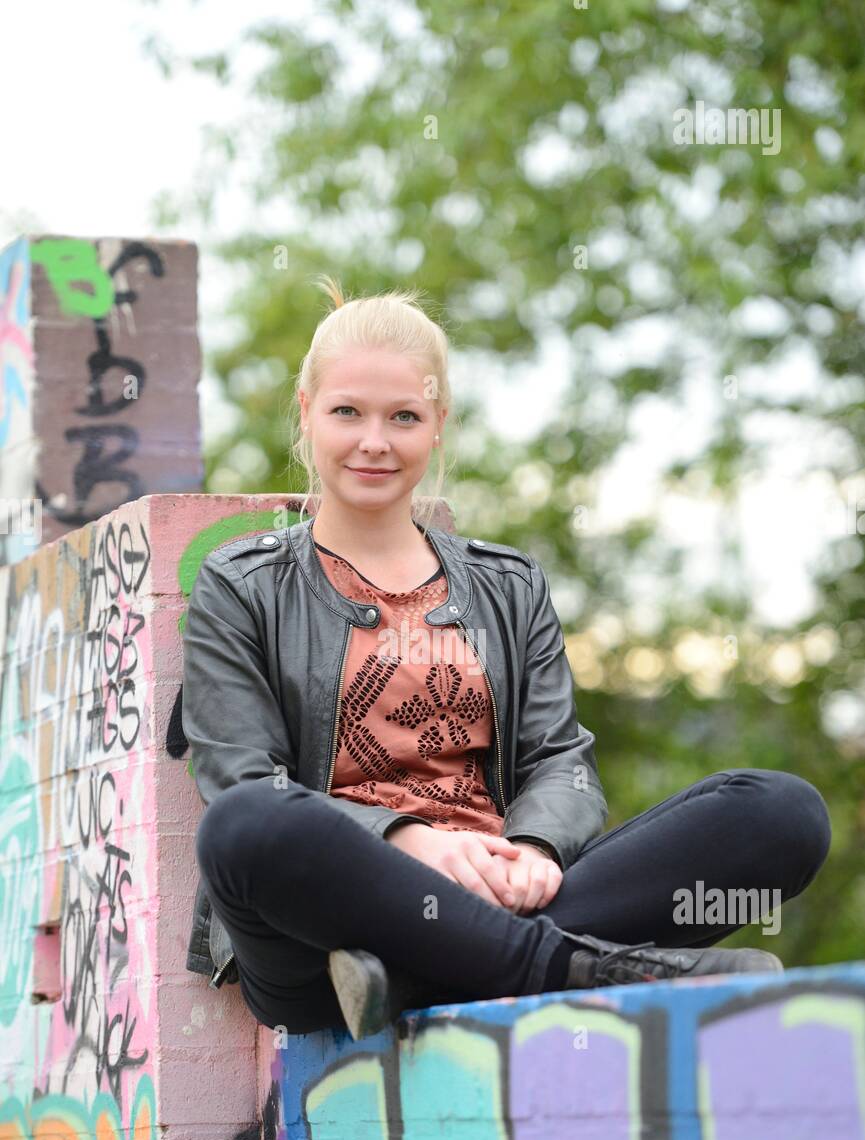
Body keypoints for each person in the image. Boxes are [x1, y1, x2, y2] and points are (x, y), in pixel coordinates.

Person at [182, 276, 832, 1041]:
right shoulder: (241, 584)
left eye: (404, 417)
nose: (374, 441)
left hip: (504, 895)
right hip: (325, 935)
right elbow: (241, 777)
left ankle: (422, 977)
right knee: (246, 826)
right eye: (346, 412)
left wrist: (530, 849)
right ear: (306, 412)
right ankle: (567, 967)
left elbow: (561, 760)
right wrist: (414, 843)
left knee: (780, 813)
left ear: (438, 425)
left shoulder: (508, 583)